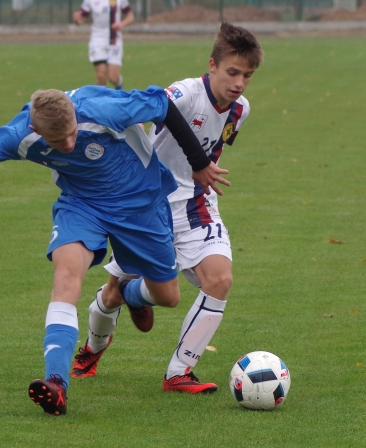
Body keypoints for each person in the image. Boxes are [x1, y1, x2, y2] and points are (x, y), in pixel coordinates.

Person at [0, 86, 229, 416]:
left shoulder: (103, 108)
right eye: (58, 141)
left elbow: (163, 103)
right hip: (82, 206)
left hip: (142, 205)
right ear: (35, 128)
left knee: (167, 297)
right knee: (65, 276)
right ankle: (56, 382)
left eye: (73, 134)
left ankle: (127, 293)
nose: (69, 144)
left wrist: (198, 162)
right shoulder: (18, 135)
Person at [71, 22, 263, 394]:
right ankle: (93, 349)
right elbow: (139, 115)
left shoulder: (241, 109)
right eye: (233, 72)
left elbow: (213, 148)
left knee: (220, 279)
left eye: (248, 76)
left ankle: (179, 372)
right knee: (112, 293)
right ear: (212, 65)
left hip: (195, 203)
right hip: (146, 203)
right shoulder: (184, 94)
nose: (239, 83)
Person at [72, 0, 134, 90]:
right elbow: (81, 20)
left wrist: (121, 24)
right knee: (101, 76)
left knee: (112, 77)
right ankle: (101, 105)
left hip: (114, 40)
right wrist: (77, 20)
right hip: (97, 39)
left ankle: (119, 86)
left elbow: (130, 16)